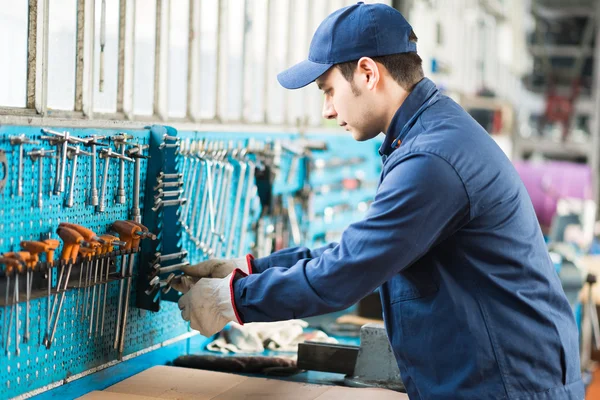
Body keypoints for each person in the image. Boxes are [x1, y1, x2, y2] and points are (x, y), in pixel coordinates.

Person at [174, 2, 583, 399]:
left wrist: (232, 299)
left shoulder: (432, 158)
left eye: (329, 90)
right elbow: (360, 250)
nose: (327, 110)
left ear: (368, 73)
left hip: (510, 386)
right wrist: (250, 269)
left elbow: (346, 272)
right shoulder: (425, 135)